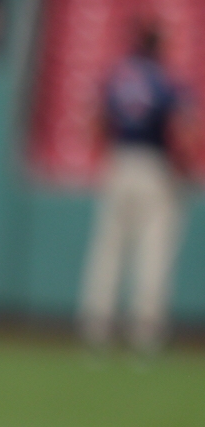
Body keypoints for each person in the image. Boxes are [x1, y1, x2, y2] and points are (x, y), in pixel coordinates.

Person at [80, 23, 191, 352]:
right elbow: (186, 130)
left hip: (118, 163)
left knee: (109, 247)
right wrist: (181, 168)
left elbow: (93, 122)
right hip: (153, 166)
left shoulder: (116, 76)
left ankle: (96, 325)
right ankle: (145, 330)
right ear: (158, 46)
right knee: (153, 250)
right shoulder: (166, 80)